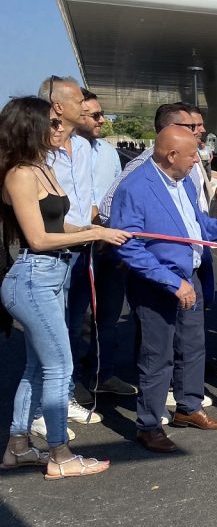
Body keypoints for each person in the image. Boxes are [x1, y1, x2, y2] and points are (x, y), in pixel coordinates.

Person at [1, 96, 129, 479]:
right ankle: (60, 454)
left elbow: (61, 225)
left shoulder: (42, 168)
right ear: (31, 127)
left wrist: (99, 230)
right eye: (54, 124)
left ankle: (18, 448)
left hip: (52, 276)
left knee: (38, 367)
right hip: (33, 276)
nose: (62, 129)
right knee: (61, 366)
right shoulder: (20, 173)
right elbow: (38, 239)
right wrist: (92, 233)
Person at [111, 126, 217, 453]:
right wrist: (172, 282)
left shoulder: (181, 181)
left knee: (192, 345)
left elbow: (196, 224)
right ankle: (149, 425)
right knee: (157, 356)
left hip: (192, 277)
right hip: (158, 285)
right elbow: (127, 247)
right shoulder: (135, 187)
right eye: (192, 156)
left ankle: (188, 407)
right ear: (171, 155)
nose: (197, 162)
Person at [40, 76, 99, 426]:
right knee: (51, 334)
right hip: (52, 250)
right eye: (79, 100)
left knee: (73, 325)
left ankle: (64, 394)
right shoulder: (40, 148)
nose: (86, 106)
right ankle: (44, 409)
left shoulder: (86, 147)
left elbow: (86, 199)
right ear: (59, 106)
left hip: (84, 246)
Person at [78, 89, 137, 396]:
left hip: (111, 245)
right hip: (80, 245)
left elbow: (117, 196)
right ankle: (74, 382)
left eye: (102, 114)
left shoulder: (108, 152)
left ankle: (104, 373)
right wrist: (96, 228)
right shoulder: (64, 151)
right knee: (78, 318)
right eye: (96, 115)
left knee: (109, 314)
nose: (103, 120)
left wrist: (111, 232)